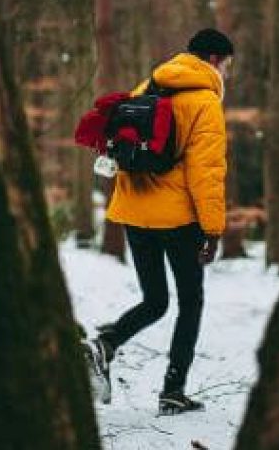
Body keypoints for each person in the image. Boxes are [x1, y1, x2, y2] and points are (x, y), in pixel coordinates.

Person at [86, 28, 232, 415]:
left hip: (134, 213)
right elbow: (207, 172)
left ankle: (105, 344)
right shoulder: (205, 103)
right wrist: (213, 229)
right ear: (215, 60)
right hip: (178, 219)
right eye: (227, 64)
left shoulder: (147, 86)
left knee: (155, 300)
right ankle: (173, 391)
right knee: (190, 302)